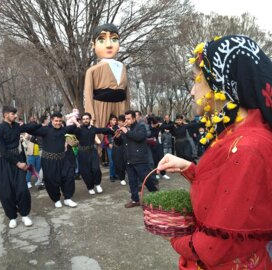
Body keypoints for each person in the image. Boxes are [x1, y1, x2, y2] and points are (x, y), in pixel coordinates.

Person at [157, 35, 272, 269]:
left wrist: (174, 236)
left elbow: (213, 246)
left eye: (196, 80)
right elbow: (232, 194)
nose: (191, 91)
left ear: (219, 81)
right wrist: (190, 169)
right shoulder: (239, 132)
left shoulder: (247, 146)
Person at [0, 106, 41, 229]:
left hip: (19, 162)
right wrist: (18, 163)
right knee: (7, 193)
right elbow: (3, 152)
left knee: (22, 190)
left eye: (15, 114)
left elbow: (30, 127)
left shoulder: (16, 127)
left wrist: (41, 125)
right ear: (5, 115)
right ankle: (12, 217)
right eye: (12, 114)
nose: (15, 116)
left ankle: (25, 214)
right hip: (4, 164)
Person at [84, 23, 130, 131]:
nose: (109, 45)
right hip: (100, 106)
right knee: (100, 133)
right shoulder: (92, 70)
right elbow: (88, 96)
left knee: (122, 135)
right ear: (93, 45)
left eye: (114, 39)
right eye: (101, 40)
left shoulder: (122, 67)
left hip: (121, 105)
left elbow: (127, 92)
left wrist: (128, 114)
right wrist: (91, 117)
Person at [30, 112, 79, 208]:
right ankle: (56, 199)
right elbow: (31, 131)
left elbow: (74, 127)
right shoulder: (45, 130)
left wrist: (75, 122)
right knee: (51, 180)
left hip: (63, 159)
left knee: (68, 178)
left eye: (60, 121)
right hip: (49, 161)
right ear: (52, 120)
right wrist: (37, 124)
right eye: (56, 121)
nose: (58, 123)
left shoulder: (64, 130)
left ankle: (67, 198)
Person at [114, 110, 159, 208]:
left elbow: (139, 137)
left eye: (129, 118)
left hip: (139, 159)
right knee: (132, 181)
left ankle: (156, 195)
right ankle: (135, 200)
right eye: (125, 119)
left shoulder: (140, 127)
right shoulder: (125, 129)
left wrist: (127, 131)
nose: (126, 120)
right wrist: (117, 137)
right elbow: (119, 143)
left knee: (145, 179)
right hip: (128, 159)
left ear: (134, 118)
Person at [74, 112, 115, 194]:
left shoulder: (93, 128)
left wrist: (110, 130)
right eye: (84, 119)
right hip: (82, 153)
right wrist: (74, 122)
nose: (85, 120)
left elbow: (101, 130)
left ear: (89, 119)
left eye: (87, 119)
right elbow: (69, 131)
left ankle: (98, 184)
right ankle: (90, 187)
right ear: (82, 120)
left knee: (96, 168)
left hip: (92, 151)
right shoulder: (79, 129)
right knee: (86, 171)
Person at [112, 114, 127, 186]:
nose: (120, 123)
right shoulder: (114, 128)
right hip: (117, 148)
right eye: (119, 121)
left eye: (122, 121)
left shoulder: (126, 128)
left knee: (125, 163)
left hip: (125, 148)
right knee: (119, 163)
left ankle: (125, 176)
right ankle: (122, 178)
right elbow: (115, 139)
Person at [104, 114, 119, 181]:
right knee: (111, 161)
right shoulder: (107, 127)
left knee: (116, 160)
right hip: (110, 146)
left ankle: (115, 174)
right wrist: (108, 143)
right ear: (110, 121)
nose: (115, 121)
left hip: (116, 145)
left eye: (115, 120)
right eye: (113, 120)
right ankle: (111, 175)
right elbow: (105, 137)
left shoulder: (117, 127)